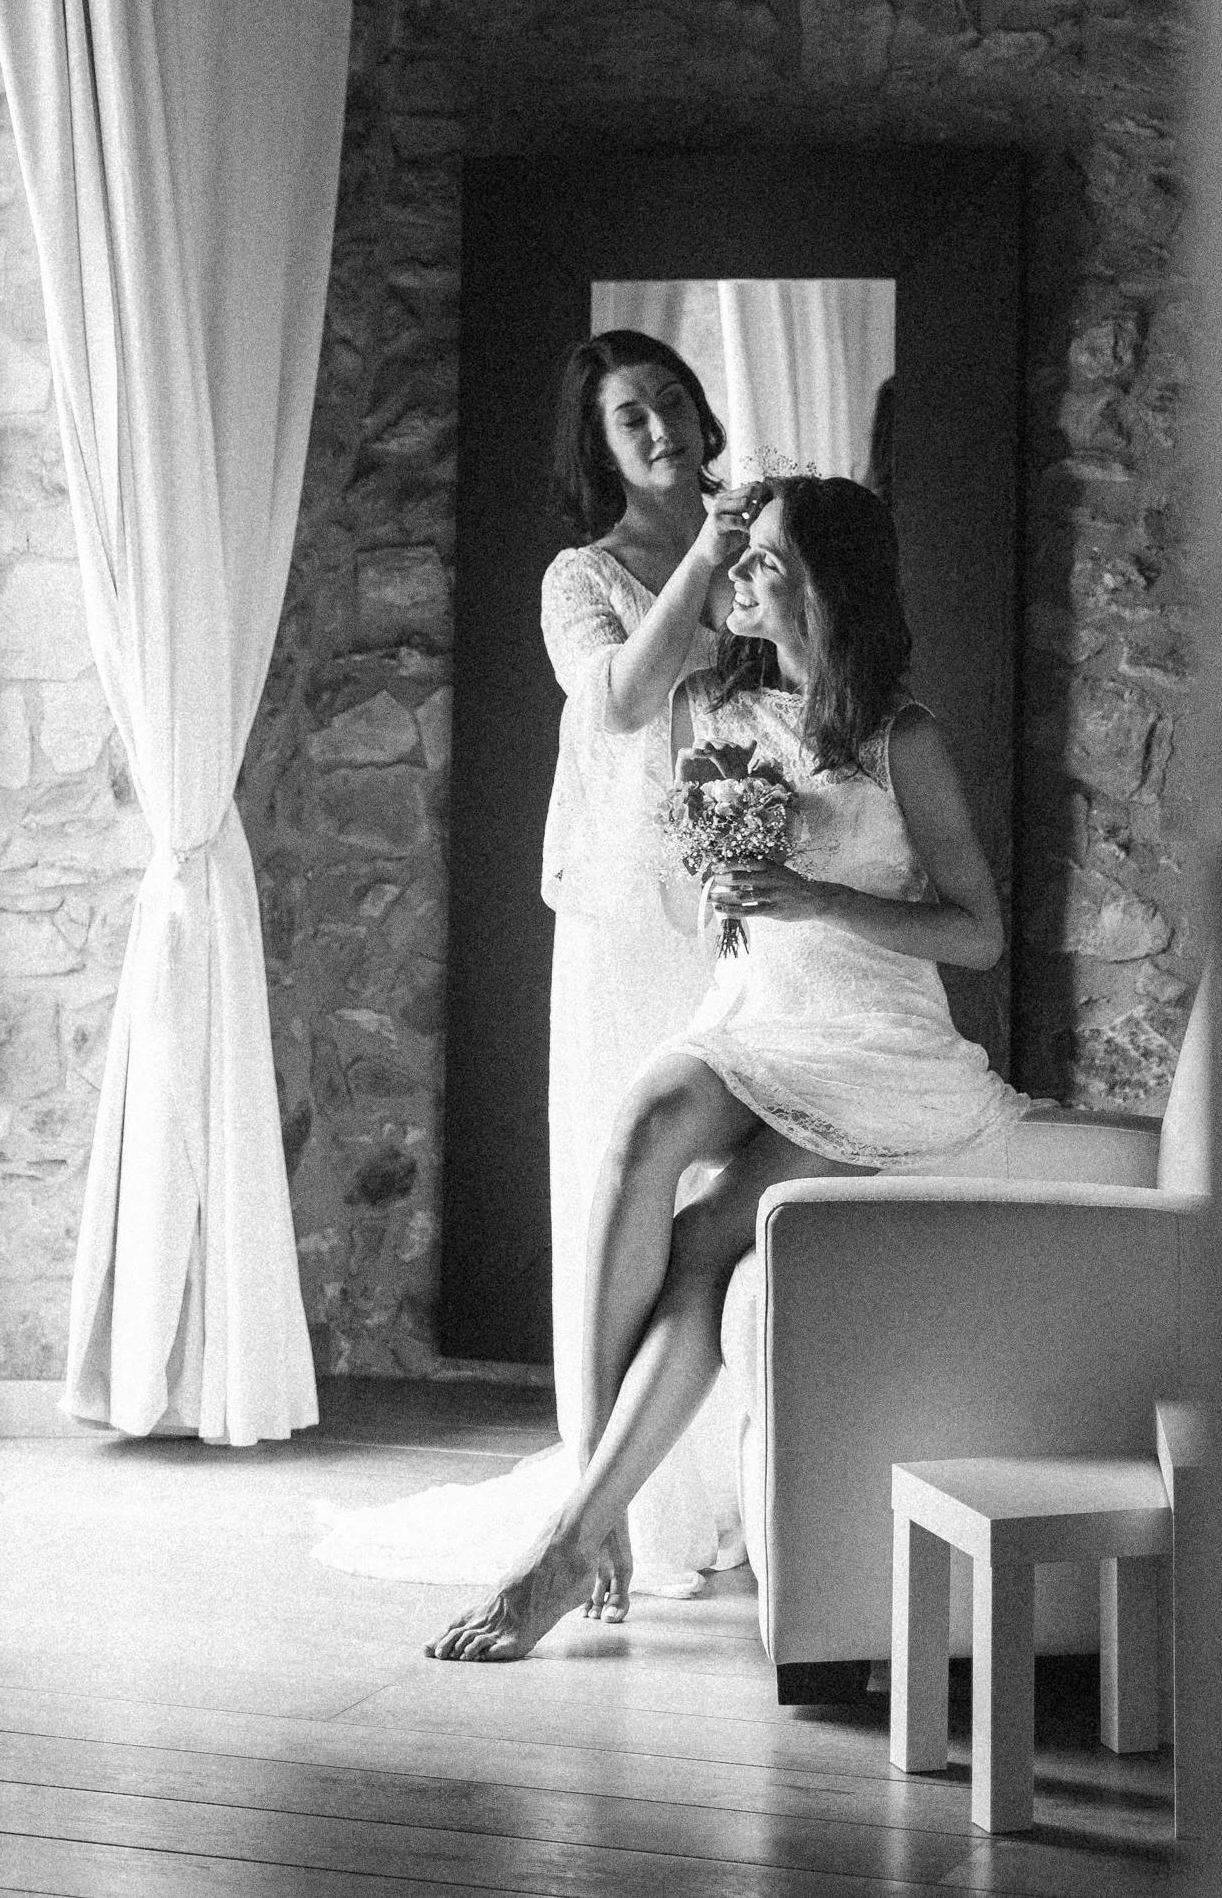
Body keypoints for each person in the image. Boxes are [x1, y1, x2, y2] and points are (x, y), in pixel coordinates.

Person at [427, 472, 1028, 1663]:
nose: (736, 578)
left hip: (873, 1043)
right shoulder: (713, 707)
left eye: (763, 561)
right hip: (755, 1008)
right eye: (739, 559)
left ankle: (563, 1547)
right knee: (642, 1125)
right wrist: (726, 897)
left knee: (709, 1230)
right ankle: (589, 1498)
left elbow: (977, 930)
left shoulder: (902, 738)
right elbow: (642, 754)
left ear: (820, 582)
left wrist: (816, 893)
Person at [316, 329, 755, 1611]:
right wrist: (705, 570)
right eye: (632, 416)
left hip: (736, 913)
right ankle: (604, 1505)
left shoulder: (750, 544)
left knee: (723, 1199)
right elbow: (616, 701)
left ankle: (725, 1468)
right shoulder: (581, 576)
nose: (663, 426)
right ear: (599, 446)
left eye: (672, 400)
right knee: (618, 1190)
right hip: (629, 921)